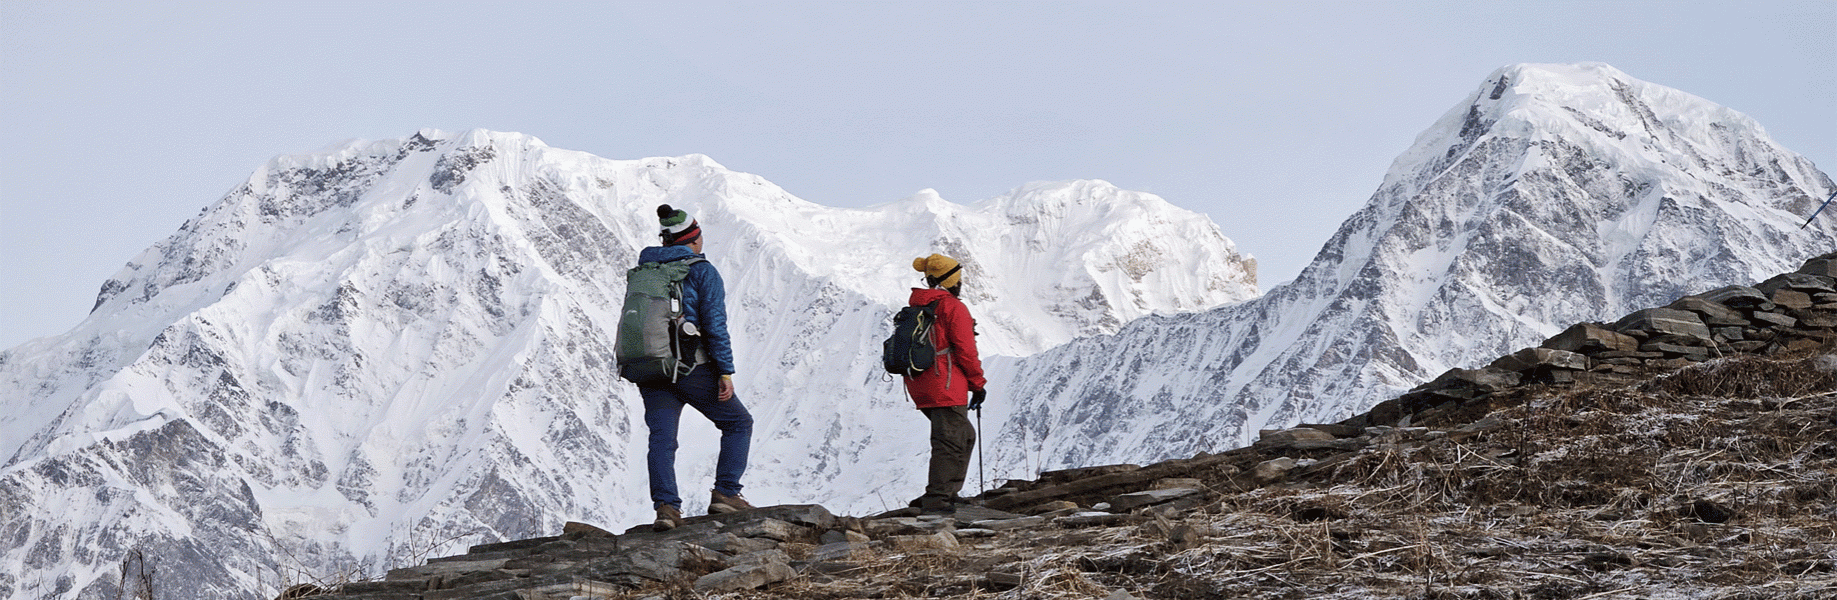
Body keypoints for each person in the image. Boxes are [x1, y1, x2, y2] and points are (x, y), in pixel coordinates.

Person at [637, 204, 754, 531]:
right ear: (693, 239)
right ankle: (726, 493)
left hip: (649, 367)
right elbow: (715, 325)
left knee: (661, 439)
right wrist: (725, 371)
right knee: (738, 423)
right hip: (691, 368)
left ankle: (666, 509)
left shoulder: (645, 270)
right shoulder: (702, 271)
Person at [901, 253, 988, 515]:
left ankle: (948, 492)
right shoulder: (952, 307)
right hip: (946, 383)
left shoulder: (921, 305)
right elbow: (965, 350)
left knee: (963, 436)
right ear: (951, 280)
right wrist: (978, 383)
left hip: (922, 381)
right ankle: (938, 499)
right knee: (950, 440)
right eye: (958, 279)